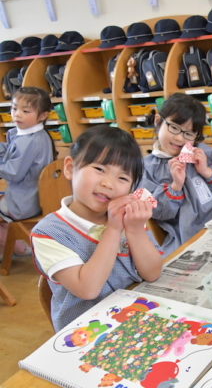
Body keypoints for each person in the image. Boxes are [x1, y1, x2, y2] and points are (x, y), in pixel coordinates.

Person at [31, 125, 163, 331]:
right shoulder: (48, 232)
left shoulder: (128, 217)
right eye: (99, 169)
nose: (109, 184)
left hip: (135, 317)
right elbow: (87, 289)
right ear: (70, 168)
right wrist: (113, 230)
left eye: (122, 178)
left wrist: (135, 230)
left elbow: (152, 273)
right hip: (87, 331)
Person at [140, 93, 212, 256]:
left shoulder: (201, 151)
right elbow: (157, 212)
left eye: (188, 134)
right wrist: (175, 187)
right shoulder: (147, 168)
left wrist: (207, 171)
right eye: (174, 128)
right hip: (190, 233)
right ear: (158, 121)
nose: (179, 138)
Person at [0, 87, 55, 257]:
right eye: (14, 108)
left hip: (25, 201)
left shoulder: (29, 141)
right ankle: (15, 247)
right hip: (36, 197)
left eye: (25, 111)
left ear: (42, 115)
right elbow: (11, 151)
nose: (17, 114)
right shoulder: (37, 135)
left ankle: (15, 249)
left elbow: (13, 173)